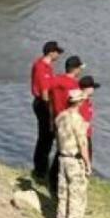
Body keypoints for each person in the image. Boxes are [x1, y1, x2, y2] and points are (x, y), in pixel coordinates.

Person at [54, 89, 93, 218]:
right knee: (77, 194)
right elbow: (83, 145)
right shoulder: (78, 120)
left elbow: (57, 138)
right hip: (74, 160)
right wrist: (88, 164)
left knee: (63, 193)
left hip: (62, 158)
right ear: (79, 102)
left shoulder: (60, 117)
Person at [48, 56, 85, 194]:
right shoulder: (73, 86)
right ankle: (58, 182)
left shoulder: (55, 79)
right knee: (66, 152)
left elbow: (50, 100)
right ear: (75, 69)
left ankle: (53, 180)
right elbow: (76, 105)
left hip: (58, 119)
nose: (80, 70)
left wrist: (51, 120)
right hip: (68, 121)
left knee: (59, 149)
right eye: (80, 68)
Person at [30, 40, 63, 178]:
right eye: (58, 52)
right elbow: (44, 93)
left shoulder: (43, 64)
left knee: (46, 138)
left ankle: (42, 167)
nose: (59, 55)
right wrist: (51, 109)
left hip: (41, 103)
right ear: (51, 52)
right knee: (46, 138)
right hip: (44, 105)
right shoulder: (42, 68)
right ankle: (40, 170)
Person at [78, 75, 98, 161]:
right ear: (88, 89)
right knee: (86, 159)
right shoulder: (81, 102)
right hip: (83, 135)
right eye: (93, 87)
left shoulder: (86, 101)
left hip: (86, 133)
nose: (94, 90)